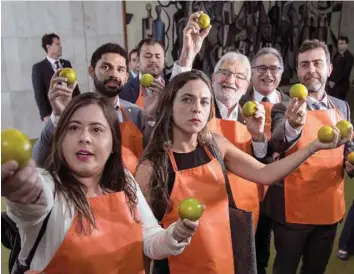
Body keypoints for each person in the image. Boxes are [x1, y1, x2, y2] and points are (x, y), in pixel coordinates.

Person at [134, 69, 351, 274]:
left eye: (204, 101)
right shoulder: (151, 167)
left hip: (224, 259)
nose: (196, 108)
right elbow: (144, 238)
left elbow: (267, 173)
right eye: (187, 99)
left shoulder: (216, 145)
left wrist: (313, 147)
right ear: (169, 104)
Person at [2, 92, 198, 273]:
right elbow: (33, 203)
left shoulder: (125, 182)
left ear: (113, 144)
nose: (84, 137)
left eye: (96, 129)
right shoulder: (50, 188)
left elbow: (151, 241)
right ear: (60, 139)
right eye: (73, 128)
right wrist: (24, 188)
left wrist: (175, 235)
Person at [169, 11, 265, 231]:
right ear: (212, 78)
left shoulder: (254, 116)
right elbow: (174, 97)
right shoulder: (199, 110)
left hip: (246, 208)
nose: (230, 80)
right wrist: (188, 54)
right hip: (202, 207)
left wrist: (259, 136)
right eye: (224, 72)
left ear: (247, 84)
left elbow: (264, 162)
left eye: (239, 76)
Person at [269, 39, 354, 274]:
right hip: (293, 213)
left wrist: (351, 162)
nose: (311, 70)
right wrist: (292, 125)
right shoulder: (283, 107)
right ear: (298, 71)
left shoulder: (342, 107)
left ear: (329, 68)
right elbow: (276, 141)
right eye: (304, 65)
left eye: (317, 63)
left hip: (329, 210)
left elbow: (348, 149)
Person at [33, 43, 150, 175]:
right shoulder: (74, 112)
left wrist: (152, 117)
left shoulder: (136, 113)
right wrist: (59, 115)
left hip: (130, 192)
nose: (113, 74)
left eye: (120, 69)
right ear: (91, 71)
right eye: (106, 67)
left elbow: (153, 156)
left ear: (126, 77)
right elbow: (39, 161)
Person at [240, 47, 291, 274]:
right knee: (254, 251)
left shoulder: (295, 105)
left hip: (286, 193)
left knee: (286, 252)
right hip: (248, 190)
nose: (267, 74)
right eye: (261, 68)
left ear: (281, 73)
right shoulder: (238, 103)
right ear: (251, 72)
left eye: (273, 69)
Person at [32, 33, 80, 122]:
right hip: (53, 113)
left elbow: (75, 88)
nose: (61, 47)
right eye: (57, 44)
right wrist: (45, 115)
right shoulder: (39, 67)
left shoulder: (66, 64)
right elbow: (39, 94)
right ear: (48, 47)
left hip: (71, 109)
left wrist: (80, 105)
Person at [120, 38, 166, 111]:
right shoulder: (123, 92)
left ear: (164, 60)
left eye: (158, 56)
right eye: (148, 56)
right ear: (138, 61)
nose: (153, 60)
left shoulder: (172, 88)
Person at [328, 35, 354, 101]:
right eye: (338, 43)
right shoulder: (336, 54)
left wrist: (334, 82)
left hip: (341, 86)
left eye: (342, 43)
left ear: (346, 45)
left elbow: (345, 72)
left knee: (339, 105)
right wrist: (330, 80)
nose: (339, 45)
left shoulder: (349, 57)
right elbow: (332, 67)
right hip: (331, 84)